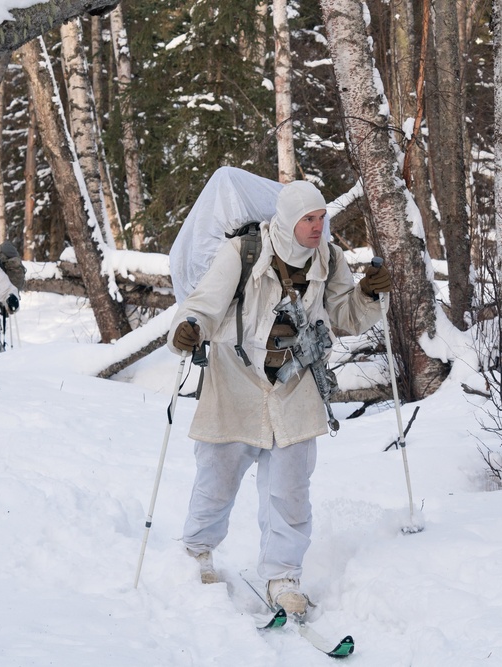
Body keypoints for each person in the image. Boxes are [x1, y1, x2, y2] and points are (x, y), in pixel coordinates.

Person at [167, 180, 392, 615]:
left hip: (296, 381)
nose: (317, 226)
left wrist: (368, 294)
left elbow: (347, 315)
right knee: (218, 477)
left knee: (290, 488)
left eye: (322, 217)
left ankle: (282, 576)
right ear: (288, 221)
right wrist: (189, 326)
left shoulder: (328, 257)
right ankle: (195, 554)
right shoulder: (243, 252)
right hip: (236, 377)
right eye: (309, 219)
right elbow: (206, 303)